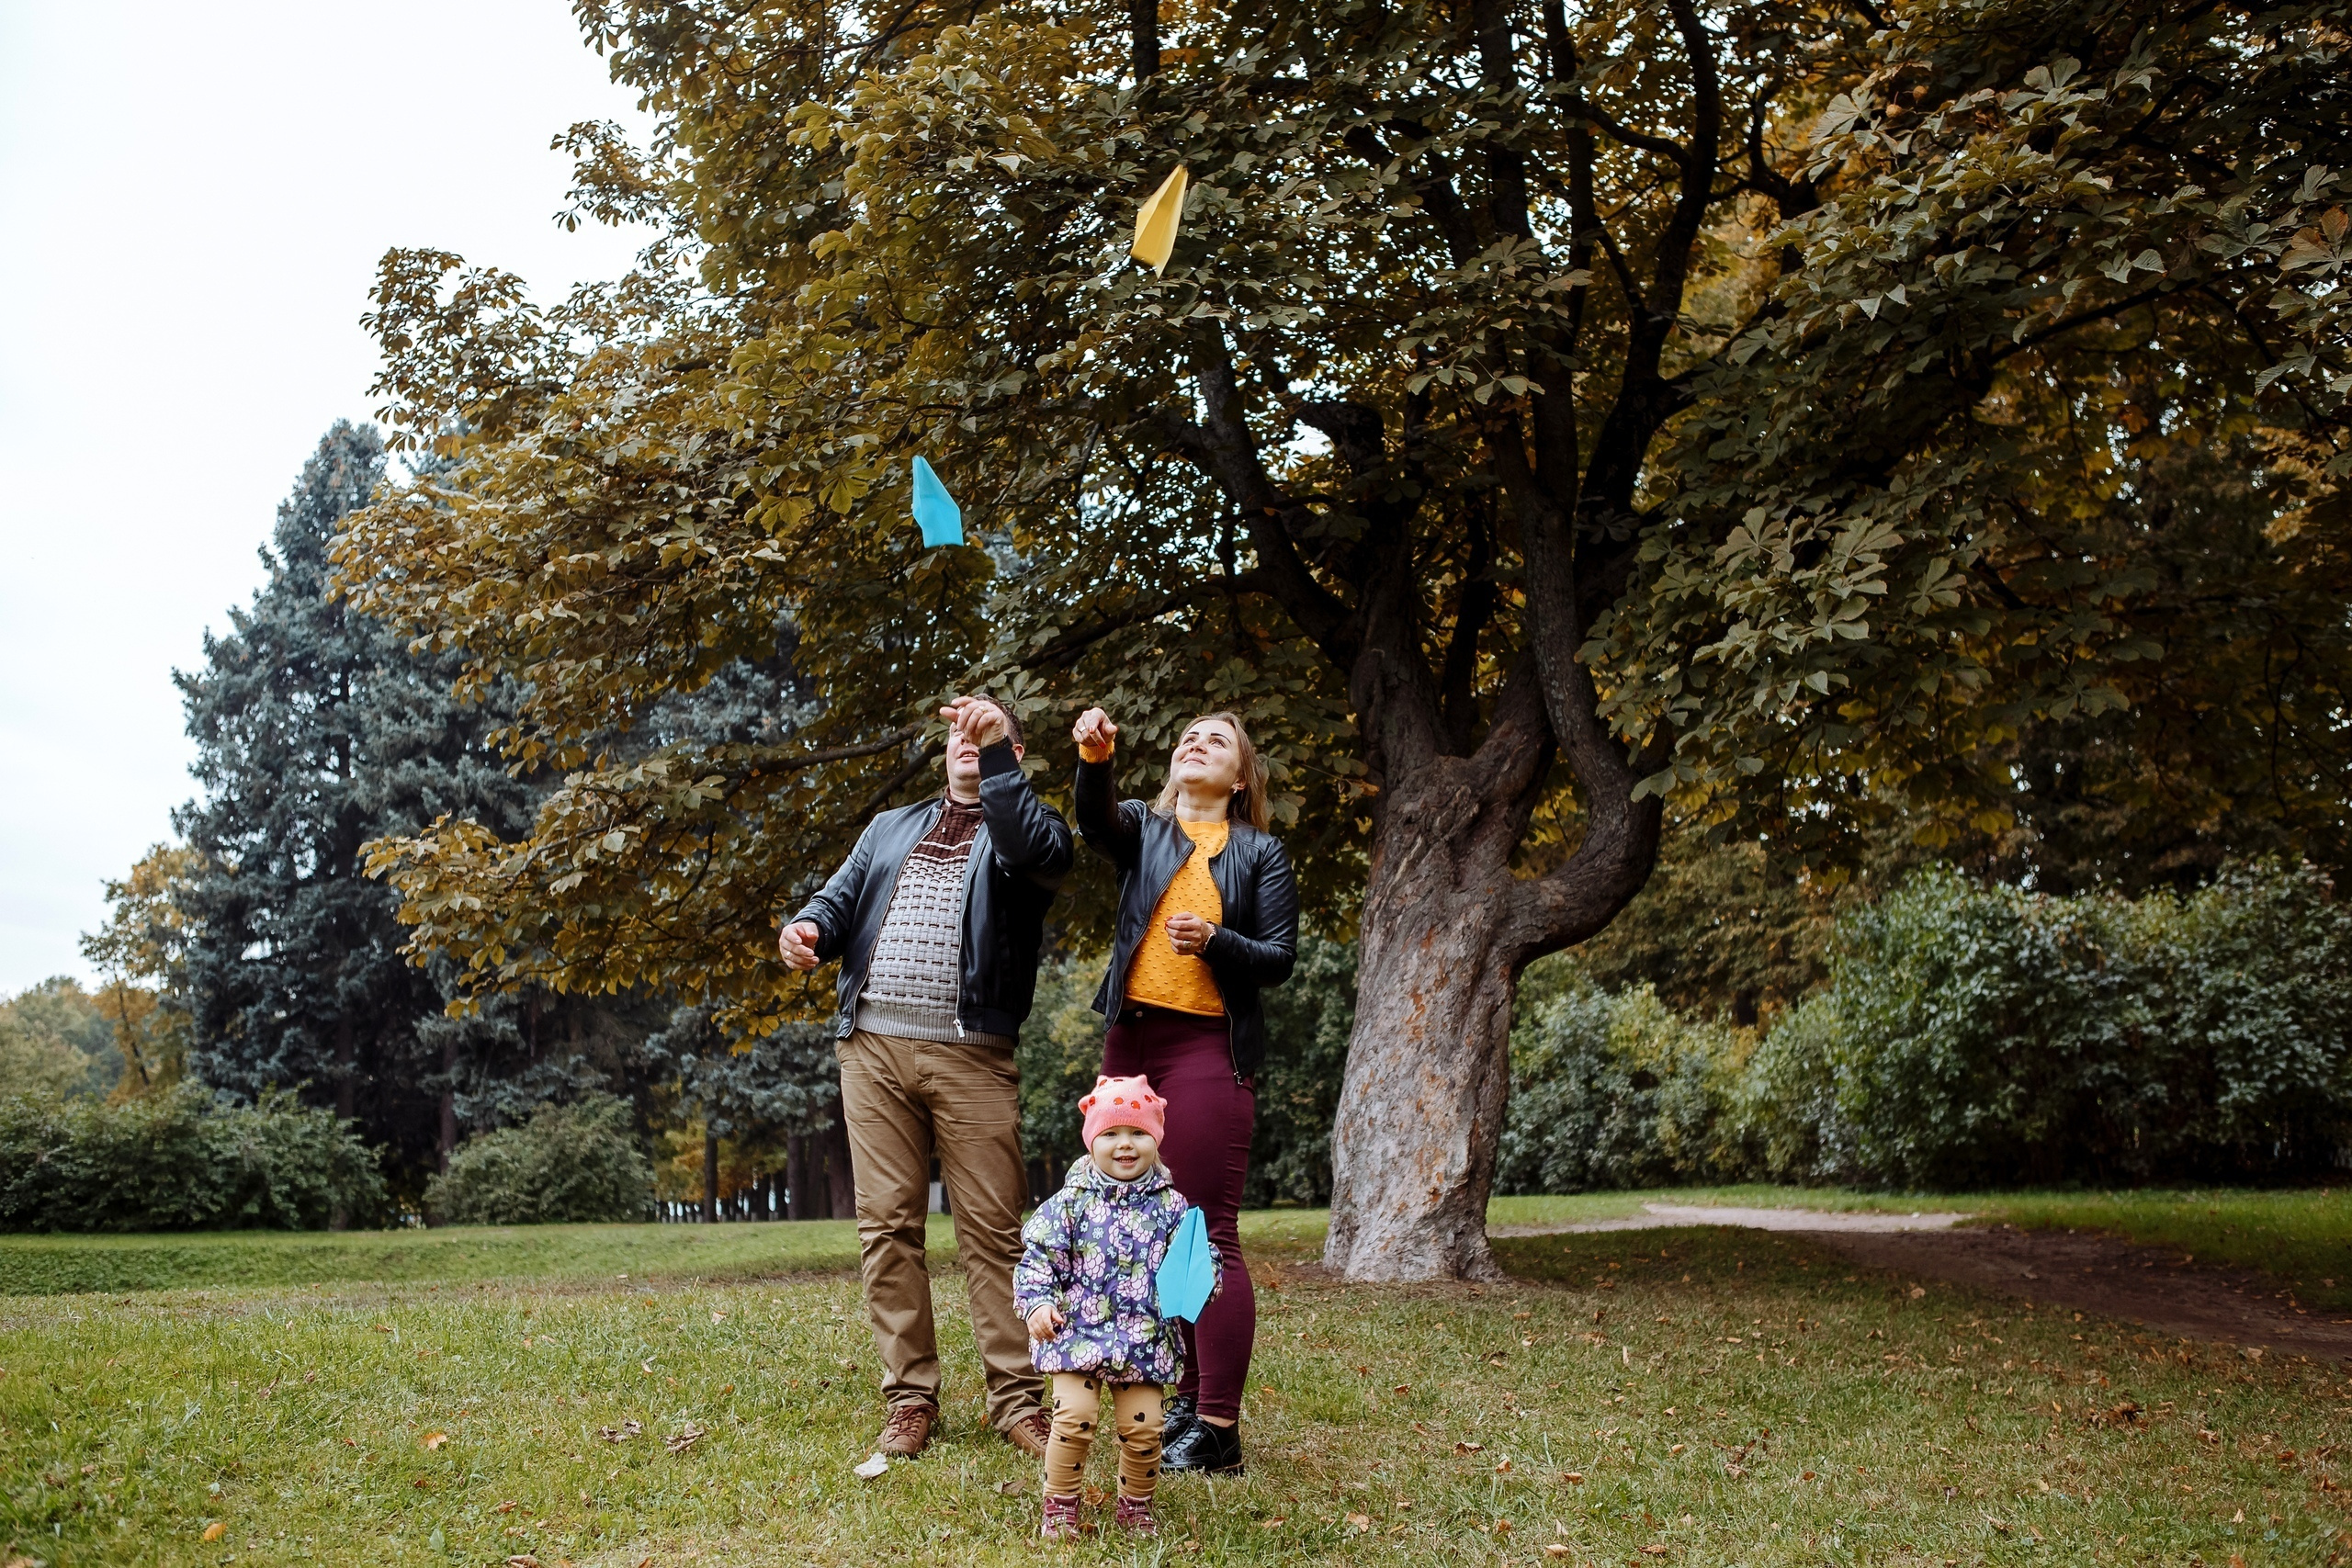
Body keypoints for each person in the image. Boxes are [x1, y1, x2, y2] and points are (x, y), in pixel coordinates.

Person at [778, 695, 1070, 1461]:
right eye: (956, 732)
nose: (965, 741)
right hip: (871, 1049)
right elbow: (838, 900)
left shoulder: (1031, 832)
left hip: (972, 1052)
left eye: (985, 732)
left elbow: (1028, 846)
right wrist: (805, 928)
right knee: (888, 1229)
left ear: (1013, 750)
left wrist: (996, 753)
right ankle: (910, 1398)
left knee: (994, 1233)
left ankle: (1016, 1401)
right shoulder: (890, 826)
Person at [1069, 706, 1298, 1475]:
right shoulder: (1145, 828)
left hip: (1206, 1046)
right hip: (1129, 1042)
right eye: (1189, 734)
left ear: (1240, 776)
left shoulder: (1261, 852)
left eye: (1219, 739)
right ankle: (1186, 1410)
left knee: (1203, 1229)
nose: (1197, 742)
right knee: (1146, 1224)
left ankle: (1218, 1428)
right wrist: (1095, 759)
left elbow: (1278, 956)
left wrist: (1216, 941)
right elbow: (1095, 820)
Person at [1014, 1074, 1219, 1540]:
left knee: (1145, 1429)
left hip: (1145, 1338)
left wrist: (1205, 1275)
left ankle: (1136, 1507)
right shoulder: (1067, 1205)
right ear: (1092, 1142)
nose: (1125, 1145)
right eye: (1110, 1134)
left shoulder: (1172, 1206)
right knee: (1074, 1418)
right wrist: (1038, 1304)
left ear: (1156, 1140)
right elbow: (1038, 1260)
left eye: (1138, 1133)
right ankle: (1061, 1506)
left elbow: (1195, 1254)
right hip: (1077, 1333)